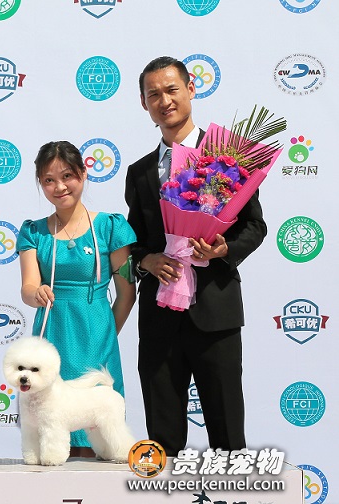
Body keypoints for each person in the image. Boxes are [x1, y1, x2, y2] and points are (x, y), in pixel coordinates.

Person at [124, 56, 267, 456]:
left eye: (172, 90)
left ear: (191, 89)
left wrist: (225, 248)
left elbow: (254, 226)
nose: (164, 101)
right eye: (154, 94)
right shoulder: (139, 172)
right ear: (144, 103)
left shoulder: (229, 157)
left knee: (227, 437)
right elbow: (134, 241)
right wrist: (146, 261)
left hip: (215, 310)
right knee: (162, 439)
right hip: (159, 316)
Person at [17, 140, 137, 457]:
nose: (59, 187)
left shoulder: (111, 227)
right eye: (49, 180)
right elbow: (28, 287)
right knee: (51, 432)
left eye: (67, 176)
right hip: (52, 336)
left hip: (98, 338)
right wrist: (36, 293)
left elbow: (127, 293)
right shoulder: (33, 232)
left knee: (104, 434)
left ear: (84, 174)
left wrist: (107, 334)